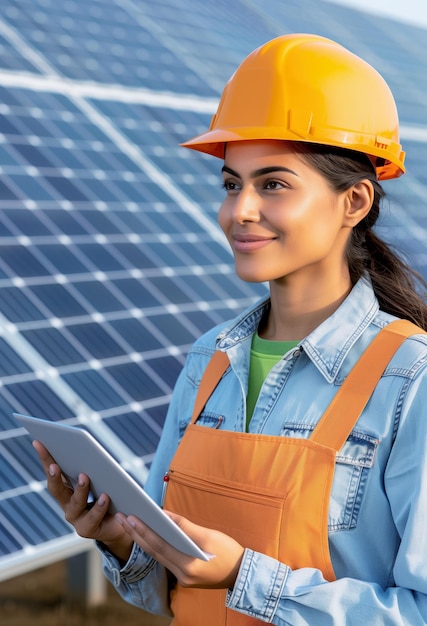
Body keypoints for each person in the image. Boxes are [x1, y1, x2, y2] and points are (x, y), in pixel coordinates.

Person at [34, 33, 427, 624]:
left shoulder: (410, 382)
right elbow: (168, 592)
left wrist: (244, 575)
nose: (239, 210)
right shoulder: (209, 360)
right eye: (231, 184)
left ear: (354, 202)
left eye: (273, 184)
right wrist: (122, 539)